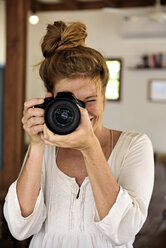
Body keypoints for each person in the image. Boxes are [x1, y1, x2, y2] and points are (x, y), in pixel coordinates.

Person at [4, 21, 154, 248]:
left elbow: (123, 231)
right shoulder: (45, 147)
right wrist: (35, 145)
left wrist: (89, 146)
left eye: (91, 100)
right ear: (50, 100)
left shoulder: (135, 145)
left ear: (104, 95)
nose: (82, 112)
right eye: (70, 103)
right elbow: (20, 228)